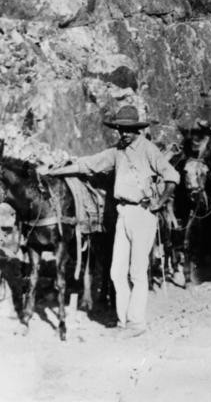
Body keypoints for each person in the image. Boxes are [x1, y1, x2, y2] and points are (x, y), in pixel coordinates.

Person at [45, 104, 179, 336]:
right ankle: (123, 322)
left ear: (137, 130)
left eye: (128, 130)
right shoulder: (117, 151)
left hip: (142, 213)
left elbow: (172, 176)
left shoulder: (148, 149)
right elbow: (88, 164)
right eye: (120, 129)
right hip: (123, 213)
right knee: (117, 272)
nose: (124, 134)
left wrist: (160, 202)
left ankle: (136, 323)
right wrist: (53, 172)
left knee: (137, 272)